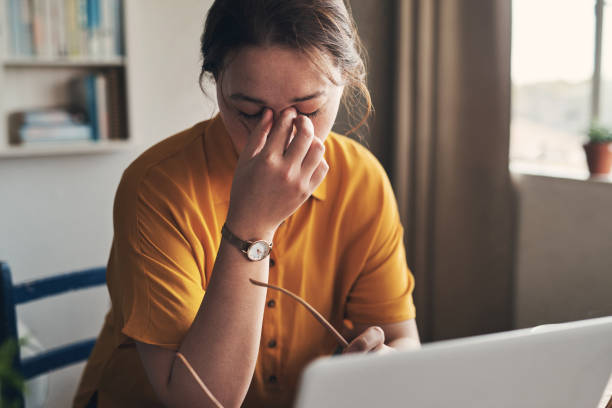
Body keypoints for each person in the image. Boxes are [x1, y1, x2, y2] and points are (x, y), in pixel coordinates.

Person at [73, 0, 419, 406]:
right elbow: (200, 402)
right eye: (251, 112)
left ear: (345, 79)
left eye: (308, 108)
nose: (284, 137)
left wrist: (386, 363)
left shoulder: (362, 180)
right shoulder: (156, 187)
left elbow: (399, 336)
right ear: (216, 84)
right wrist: (252, 227)